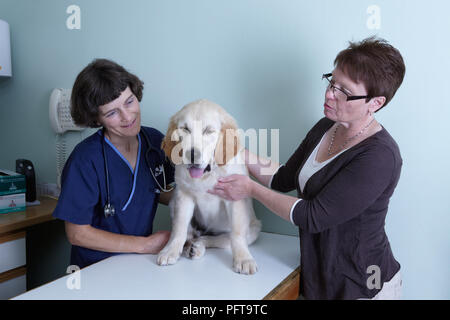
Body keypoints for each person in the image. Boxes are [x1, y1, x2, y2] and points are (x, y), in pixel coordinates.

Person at [209, 37, 405, 300]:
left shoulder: (379, 156)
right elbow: (282, 178)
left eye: (343, 91)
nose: (329, 94)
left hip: (363, 283)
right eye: (331, 82)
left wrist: (250, 190)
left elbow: (312, 216)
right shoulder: (326, 126)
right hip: (319, 275)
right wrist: (235, 151)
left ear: (375, 103)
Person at [53, 59, 175, 269]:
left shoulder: (154, 142)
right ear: (96, 118)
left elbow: (154, 189)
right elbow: (77, 233)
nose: (127, 117)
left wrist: (205, 199)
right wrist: (145, 245)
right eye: (111, 113)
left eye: (129, 101)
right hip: (96, 269)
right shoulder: (84, 160)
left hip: (139, 265)